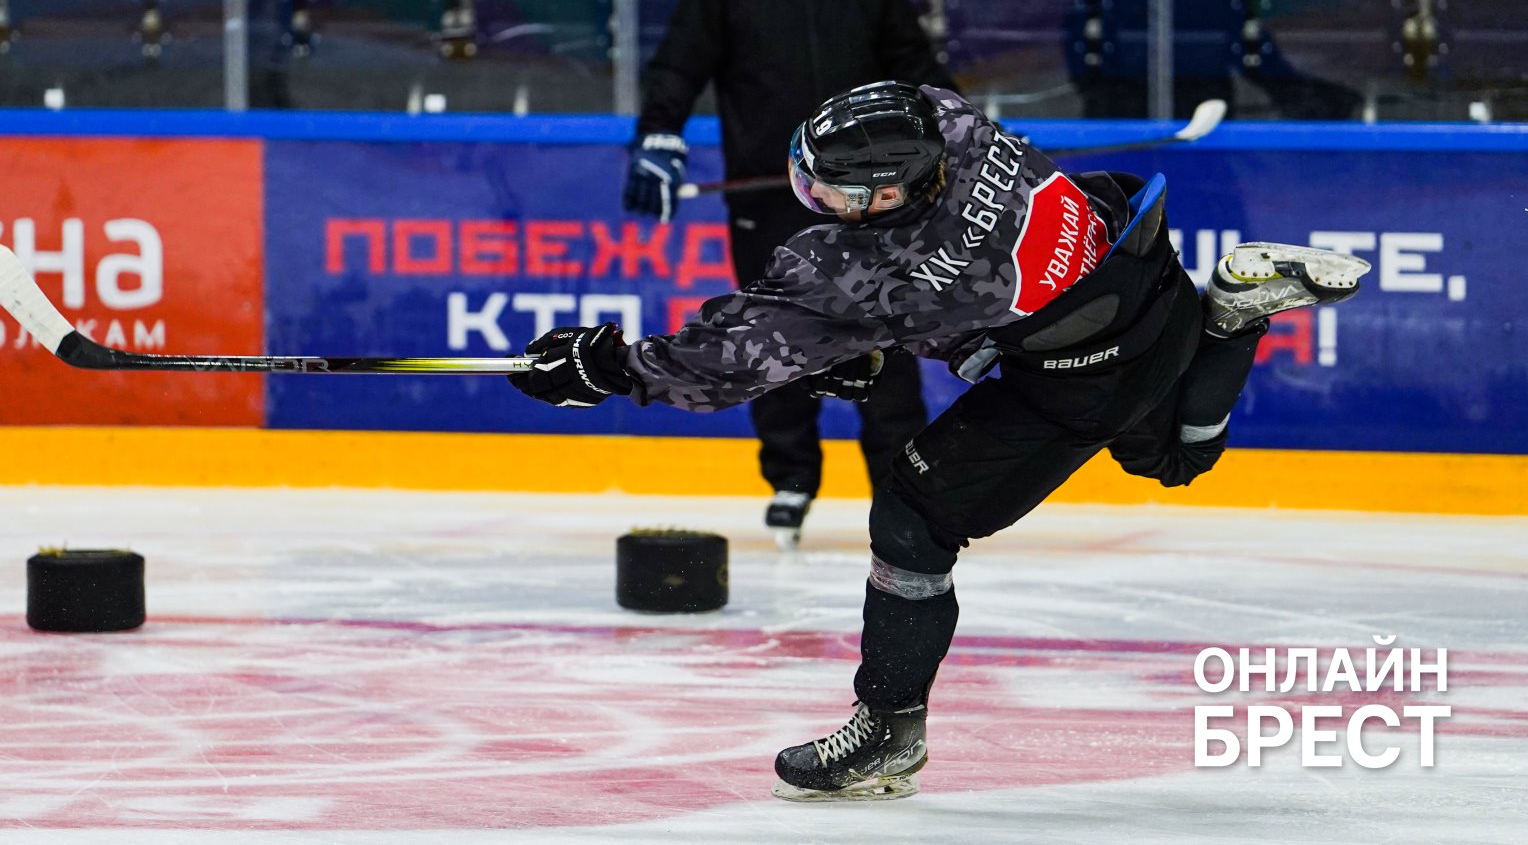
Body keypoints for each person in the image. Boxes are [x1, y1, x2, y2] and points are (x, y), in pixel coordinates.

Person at [517, 81, 1371, 801]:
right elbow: (922, 299)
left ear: (893, 193)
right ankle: (1224, 315)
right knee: (1170, 457)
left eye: (839, 193)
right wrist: (854, 345)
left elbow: (725, 363)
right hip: (1143, 277)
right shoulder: (949, 118)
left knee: (916, 515)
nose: (821, 201)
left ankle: (888, 733)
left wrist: (607, 365)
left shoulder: (853, 270)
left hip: (1090, 368)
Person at [623, 0, 954, 545]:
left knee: (888, 341)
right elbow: (678, 65)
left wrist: (959, 132)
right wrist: (657, 134)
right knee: (768, 335)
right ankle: (792, 477)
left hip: (868, 206)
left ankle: (901, 487)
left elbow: (916, 68)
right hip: (766, 199)